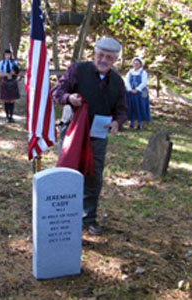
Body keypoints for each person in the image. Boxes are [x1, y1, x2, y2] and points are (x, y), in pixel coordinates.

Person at [52, 37, 128, 236]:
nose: (104, 59)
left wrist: (116, 123)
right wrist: (69, 98)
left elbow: (122, 109)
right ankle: (62, 216)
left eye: (109, 57)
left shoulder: (118, 82)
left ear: (115, 60)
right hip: (73, 132)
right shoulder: (77, 70)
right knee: (68, 173)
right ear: (94, 53)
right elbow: (57, 91)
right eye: (100, 55)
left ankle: (89, 218)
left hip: (98, 135)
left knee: (94, 176)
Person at [125, 57, 151, 129]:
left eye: (137, 63)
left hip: (140, 93)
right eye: (134, 63)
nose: (135, 64)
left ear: (140, 64)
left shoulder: (143, 72)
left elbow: (144, 82)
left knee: (140, 107)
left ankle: (140, 123)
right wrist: (130, 89)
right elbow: (126, 81)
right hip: (131, 92)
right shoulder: (130, 72)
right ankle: (132, 122)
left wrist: (137, 89)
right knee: (131, 107)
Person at [0, 49, 20, 123]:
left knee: (12, 100)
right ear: (4, 55)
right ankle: (7, 116)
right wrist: (8, 74)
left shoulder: (14, 62)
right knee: (6, 100)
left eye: (8, 55)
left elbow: (16, 72)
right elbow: (0, 73)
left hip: (13, 81)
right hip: (5, 81)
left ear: (10, 55)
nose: (7, 56)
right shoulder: (1, 63)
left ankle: (11, 116)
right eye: (6, 55)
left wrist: (14, 72)